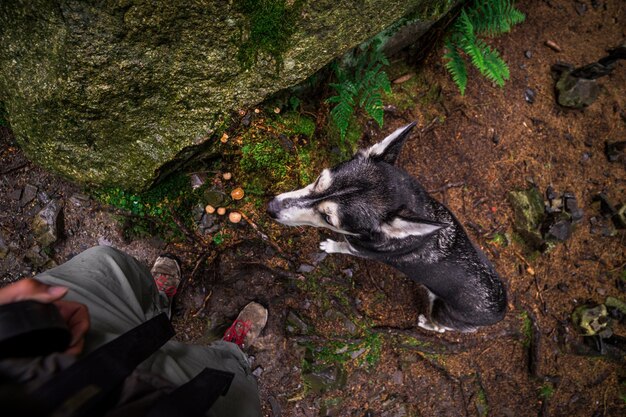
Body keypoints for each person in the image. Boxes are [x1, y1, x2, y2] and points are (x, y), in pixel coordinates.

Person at [0, 245, 267, 417]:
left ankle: (156, 306)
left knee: (106, 263)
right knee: (234, 391)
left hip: (30, 344)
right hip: (160, 406)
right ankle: (232, 353)